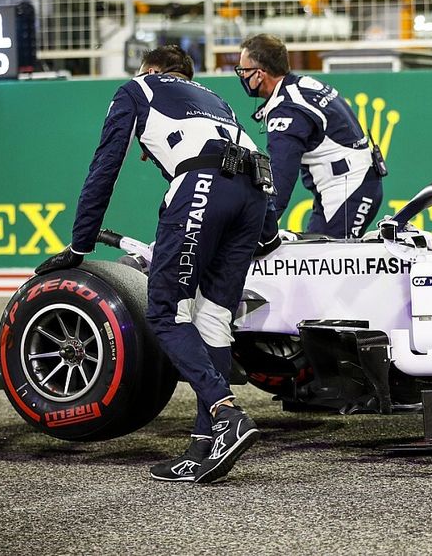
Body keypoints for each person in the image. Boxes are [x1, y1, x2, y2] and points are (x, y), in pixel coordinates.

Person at [36, 45, 275, 484]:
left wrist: (80, 244)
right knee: (215, 318)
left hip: (201, 187)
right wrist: (270, 232)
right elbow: (249, 158)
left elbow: (104, 167)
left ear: (149, 69)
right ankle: (203, 447)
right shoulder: (215, 99)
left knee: (165, 310)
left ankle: (226, 413)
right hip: (255, 195)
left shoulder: (137, 88)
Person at [236, 33, 384, 238]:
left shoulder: (286, 109)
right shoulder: (303, 85)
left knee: (326, 263)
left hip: (349, 190)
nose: (242, 75)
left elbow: (280, 177)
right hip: (355, 184)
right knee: (317, 254)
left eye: (244, 70)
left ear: (260, 74)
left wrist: (257, 229)